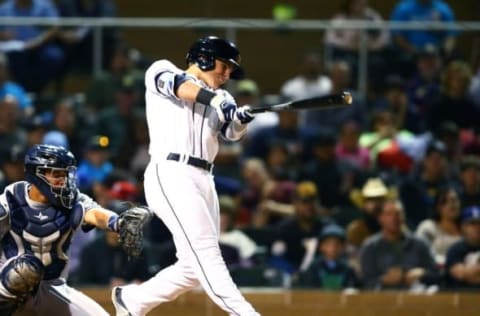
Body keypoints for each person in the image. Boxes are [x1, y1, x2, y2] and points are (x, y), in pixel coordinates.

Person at [111, 36, 260, 316]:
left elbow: (230, 133)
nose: (227, 74)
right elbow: (178, 87)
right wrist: (216, 100)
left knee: (194, 267)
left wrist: (240, 120)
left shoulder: (224, 96)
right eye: (224, 66)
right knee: (208, 255)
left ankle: (133, 300)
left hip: (205, 177)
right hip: (170, 172)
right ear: (203, 58)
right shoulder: (162, 69)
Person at [0, 144, 151, 315]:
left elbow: (94, 214)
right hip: (8, 288)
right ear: (37, 174)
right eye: (57, 174)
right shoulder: (10, 200)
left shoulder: (72, 201)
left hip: (52, 286)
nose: (63, 180)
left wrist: (118, 223)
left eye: (65, 174)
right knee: (24, 268)